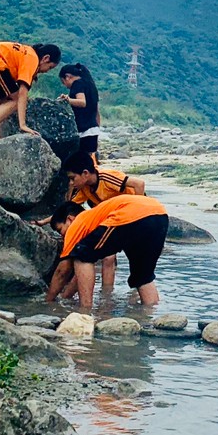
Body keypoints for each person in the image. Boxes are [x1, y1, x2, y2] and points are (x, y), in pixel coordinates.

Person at [46, 193, 168, 308]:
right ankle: (151, 315)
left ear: (70, 219)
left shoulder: (78, 223)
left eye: (60, 230)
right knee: (143, 276)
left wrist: (48, 301)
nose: (62, 236)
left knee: (82, 254)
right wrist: (66, 297)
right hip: (160, 214)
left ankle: (85, 311)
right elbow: (81, 275)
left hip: (131, 214)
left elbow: (63, 271)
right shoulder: (95, 219)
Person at [59, 150, 147, 296]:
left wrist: (138, 213)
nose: (71, 183)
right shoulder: (85, 188)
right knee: (108, 257)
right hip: (115, 219)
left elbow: (139, 184)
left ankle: (134, 296)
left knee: (136, 259)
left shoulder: (106, 177)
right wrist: (44, 221)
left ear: (85, 173)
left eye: (72, 179)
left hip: (135, 215)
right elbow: (68, 209)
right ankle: (107, 295)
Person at [59, 63, 101, 158]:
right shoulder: (91, 85)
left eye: (63, 82)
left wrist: (67, 100)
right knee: (88, 160)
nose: (65, 86)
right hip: (93, 130)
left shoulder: (77, 83)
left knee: (79, 160)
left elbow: (82, 102)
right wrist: (98, 128)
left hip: (83, 131)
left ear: (67, 76)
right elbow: (97, 111)